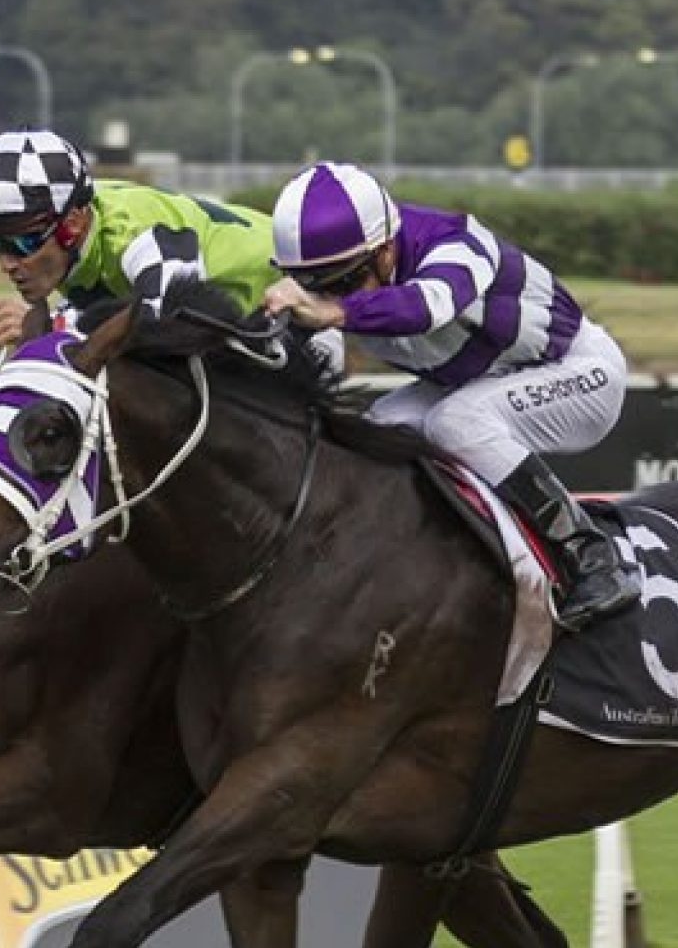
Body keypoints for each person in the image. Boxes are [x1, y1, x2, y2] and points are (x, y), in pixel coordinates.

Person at [261, 161, 639, 632]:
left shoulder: (455, 242)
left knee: (456, 422)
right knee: (373, 431)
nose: (327, 296)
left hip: (579, 372)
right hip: (477, 381)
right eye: (314, 285)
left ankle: (591, 556)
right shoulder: (355, 271)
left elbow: (426, 306)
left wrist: (334, 310)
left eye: (343, 282)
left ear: (385, 249)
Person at [0, 128, 293, 350]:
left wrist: (54, 325)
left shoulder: (134, 231)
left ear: (72, 225)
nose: (6, 265)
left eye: (21, 243)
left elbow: (173, 320)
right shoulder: (77, 224)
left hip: (300, 287)